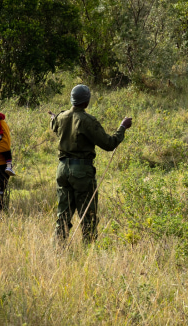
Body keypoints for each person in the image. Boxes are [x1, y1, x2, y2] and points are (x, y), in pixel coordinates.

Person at [49, 84, 132, 244]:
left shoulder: (61, 117)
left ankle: (58, 249)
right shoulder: (87, 120)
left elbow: (55, 125)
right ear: (86, 102)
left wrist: (53, 117)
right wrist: (122, 128)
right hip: (81, 171)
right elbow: (109, 144)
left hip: (62, 169)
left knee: (63, 214)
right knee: (88, 215)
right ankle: (89, 251)